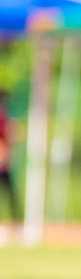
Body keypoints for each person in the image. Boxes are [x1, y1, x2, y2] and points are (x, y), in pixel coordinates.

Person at [0, 89, 17, 224]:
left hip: (3, 161)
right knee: (11, 194)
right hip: (2, 159)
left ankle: (16, 222)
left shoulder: (4, 116)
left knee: (11, 193)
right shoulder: (3, 116)